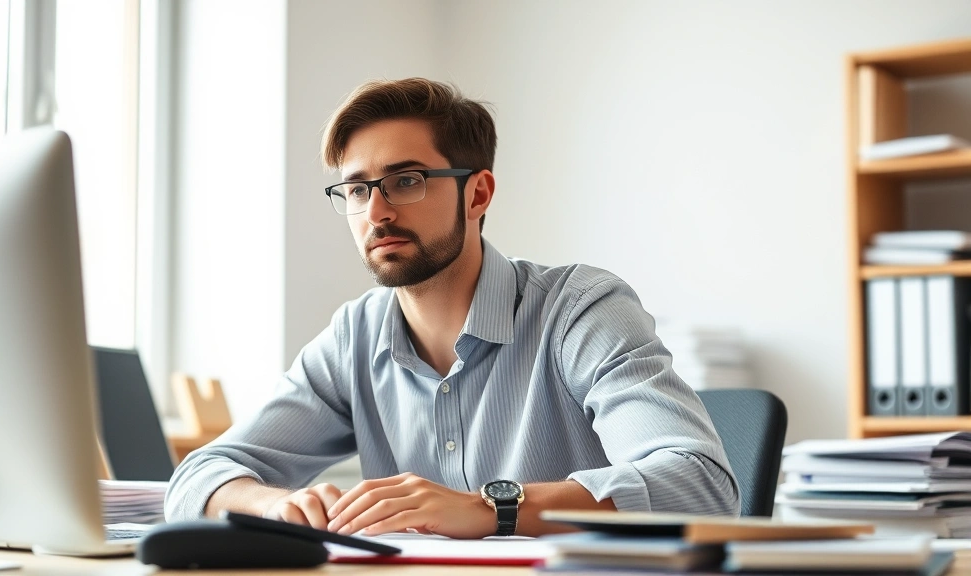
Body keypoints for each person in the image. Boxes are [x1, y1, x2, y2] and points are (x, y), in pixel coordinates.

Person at [165, 78, 740, 539]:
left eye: (406, 180)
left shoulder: (580, 309)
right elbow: (197, 477)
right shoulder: (354, 337)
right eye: (358, 189)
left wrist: (491, 507)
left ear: (478, 193)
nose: (377, 211)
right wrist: (282, 506)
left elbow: (700, 483)